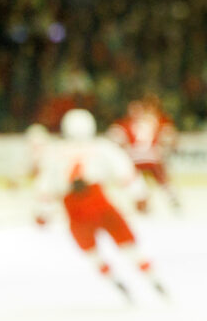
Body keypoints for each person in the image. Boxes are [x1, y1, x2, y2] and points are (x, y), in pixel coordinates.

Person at [34, 108, 167, 301]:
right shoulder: (102, 147)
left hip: (74, 209)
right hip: (99, 202)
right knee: (126, 242)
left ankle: (114, 280)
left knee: (90, 250)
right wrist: (139, 196)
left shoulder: (54, 152)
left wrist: (42, 212)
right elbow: (125, 173)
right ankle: (151, 276)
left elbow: (45, 187)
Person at [107, 94, 181, 212]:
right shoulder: (153, 121)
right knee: (162, 180)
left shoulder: (124, 124)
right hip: (152, 157)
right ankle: (172, 198)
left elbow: (114, 138)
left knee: (133, 182)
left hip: (134, 159)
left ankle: (141, 203)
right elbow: (169, 134)